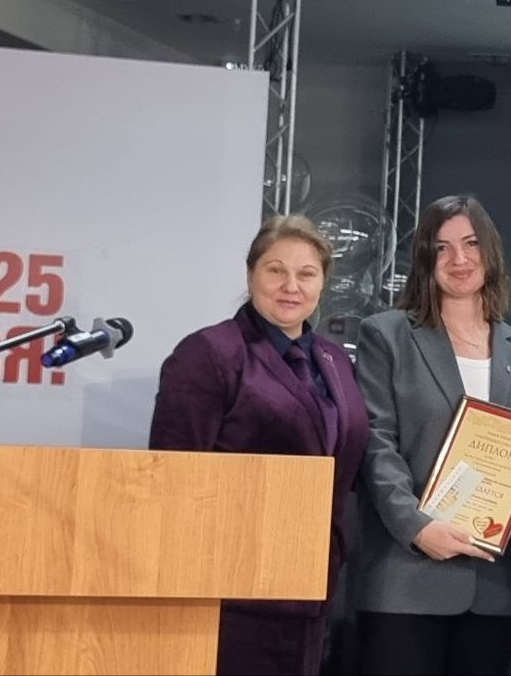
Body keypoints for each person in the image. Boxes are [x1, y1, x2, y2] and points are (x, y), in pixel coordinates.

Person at [149, 215, 370, 676]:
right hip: (232, 590)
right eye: (275, 270)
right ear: (251, 274)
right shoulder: (209, 353)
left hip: (313, 583)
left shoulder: (334, 360)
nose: (291, 286)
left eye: (306, 273)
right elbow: (173, 476)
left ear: (322, 283)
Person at [352, 194, 511, 675]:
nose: (459, 259)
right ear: (425, 259)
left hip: (495, 584)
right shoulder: (386, 336)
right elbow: (376, 444)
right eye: (442, 248)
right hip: (405, 576)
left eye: (471, 243)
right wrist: (417, 528)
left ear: (491, 252)